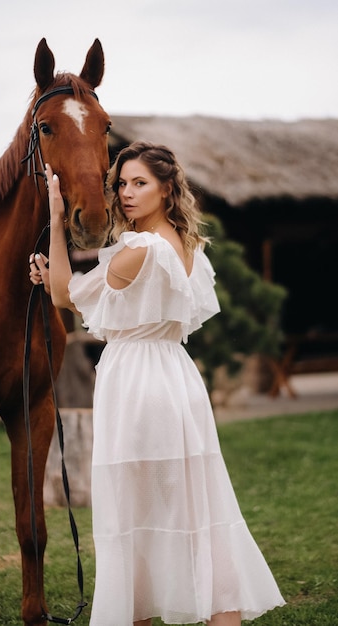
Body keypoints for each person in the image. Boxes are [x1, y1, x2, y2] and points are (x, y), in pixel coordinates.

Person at [29, 142, 285, 626]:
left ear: (167, 190)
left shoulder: (140, 248)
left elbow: (67, 293)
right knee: (196, 511)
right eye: (122, 183)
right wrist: (57, 279)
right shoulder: (189, 247)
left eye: (139, 183)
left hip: (137, 384)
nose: (126, 193)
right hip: (176, 376)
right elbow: (107, 298)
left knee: (133, 516)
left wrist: (57, 216)